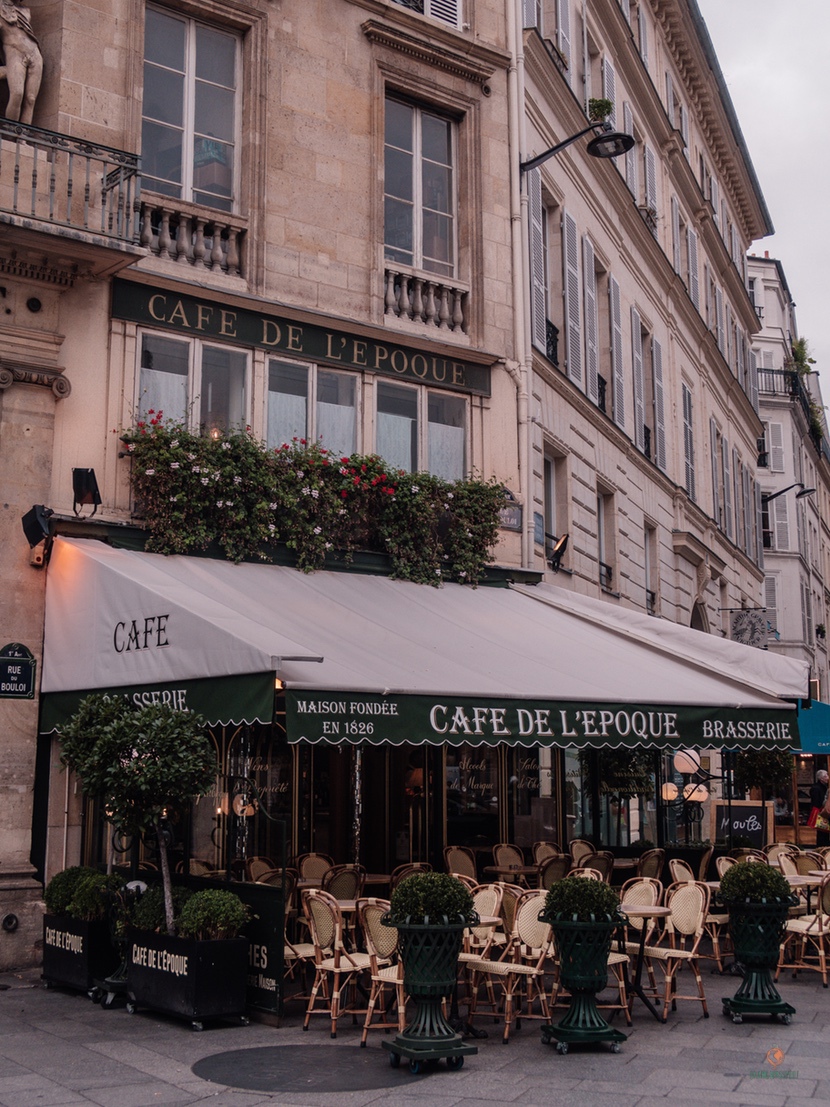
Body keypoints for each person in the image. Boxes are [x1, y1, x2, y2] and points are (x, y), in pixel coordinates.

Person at [0, 1, 43, 125]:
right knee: (17, 94)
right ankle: (10, 136)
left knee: (30, 99)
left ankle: (22, 138)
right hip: (14, 53)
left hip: (35, 54)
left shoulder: (25, 10)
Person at [808, 769, 829, 846]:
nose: (828, 778)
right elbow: (817, 802)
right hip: (820, 812)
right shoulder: (816, 788)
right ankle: (821, 849)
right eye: (826, 776)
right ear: (821, 778)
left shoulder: (824, 787)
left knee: (824, 832)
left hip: (823, 811)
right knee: (822, 832)